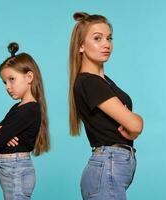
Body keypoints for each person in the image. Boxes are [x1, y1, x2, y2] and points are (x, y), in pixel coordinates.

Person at [68, 12, 144, 200]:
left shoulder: (105, 82)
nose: (106, 44)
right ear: (81, 46)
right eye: (97, 38)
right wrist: (136, 123)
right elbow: (135, 125)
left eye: (109, 38)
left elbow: (132, 128)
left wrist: (133, 127)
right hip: (106, 169)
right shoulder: (89, 82)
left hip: (111, 169)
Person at [0, 42, 49, 200]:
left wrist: (0, 132)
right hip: (12, 167)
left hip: (15, 168)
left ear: (29, 77)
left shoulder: (28, 110)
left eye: (11, 79)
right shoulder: (18, 108)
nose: (8, 86)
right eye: (4, 82)